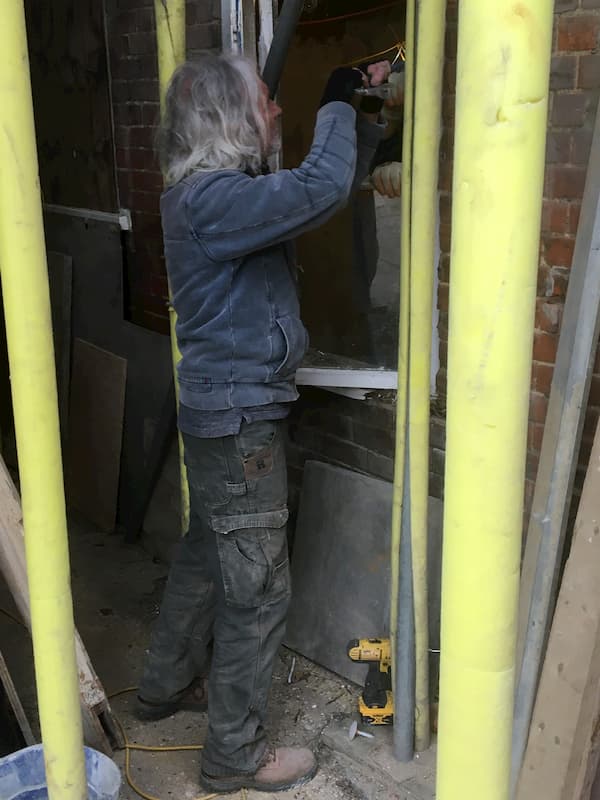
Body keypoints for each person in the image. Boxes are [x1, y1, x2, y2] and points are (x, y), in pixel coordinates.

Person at [134, 52, 391, 794]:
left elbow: (317, 196)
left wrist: (361, 126)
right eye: (265, 103)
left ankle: (162, 687)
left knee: (208, 557)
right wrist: (340, 96)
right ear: (226, 119)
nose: (275, 112)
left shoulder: (209, 198)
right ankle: (233, 757)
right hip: (239, 422)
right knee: (257, 592)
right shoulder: (213, 200)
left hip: (227, 416)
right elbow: (316, 187)